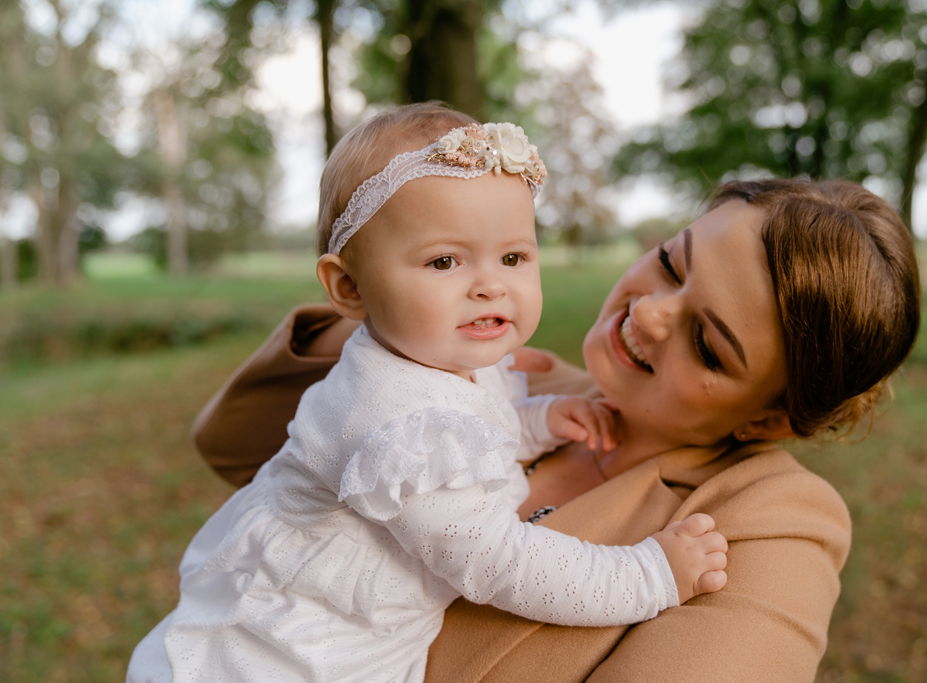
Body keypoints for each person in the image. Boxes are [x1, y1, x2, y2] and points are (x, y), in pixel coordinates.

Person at [187, 172, 921, 678]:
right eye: (670, 262)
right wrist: (389, 323)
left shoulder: (768, 522)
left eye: (707, 343)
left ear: (770, 415)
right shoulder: (510, 374)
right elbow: (230, 443)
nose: (650, 310)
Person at [127, 104, 730, 682]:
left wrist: (540, 420)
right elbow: (504, 564)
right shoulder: (397, 425)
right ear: (349, 287)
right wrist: (651, 575)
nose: (490, 285)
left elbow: (477, 426)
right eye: (445, 262)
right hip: (298, 653)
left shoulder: (438, 356)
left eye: (514, 256)